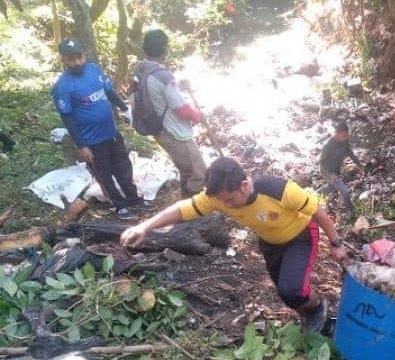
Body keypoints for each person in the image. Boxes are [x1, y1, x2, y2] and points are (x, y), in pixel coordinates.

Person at [120, 157, 347, 333]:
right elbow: (182, 209)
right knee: (285, 292)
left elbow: (317, 211)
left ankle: (319, 307)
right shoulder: (218, 197)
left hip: (300, 237)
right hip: (270, 243)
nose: (227, 206)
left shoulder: (279, 190)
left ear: (245, 186)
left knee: (292, 289)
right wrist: (145, 227)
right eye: (222, 201)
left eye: (230, 200)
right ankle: (309, 313)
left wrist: (336, 243)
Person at [51, 37, 142, 220]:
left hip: (111, 132)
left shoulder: (94, 70)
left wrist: (125, 109)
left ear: (84, 55)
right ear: (64, 60)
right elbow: (67, 118)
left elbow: (109, 92)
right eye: (71, 59)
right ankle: (120, 207)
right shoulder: (63, 86)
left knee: (124, 166)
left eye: (79, 57)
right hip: (91, 140)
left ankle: (133, 199)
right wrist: (82, 146)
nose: (77, 62)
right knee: (104, 174)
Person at [133, 29, 207, 198]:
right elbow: (181, 109)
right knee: (199, 172)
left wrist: (177, 85)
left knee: (185, 169)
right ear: (165, 50)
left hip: (158, 129)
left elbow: (157, 93)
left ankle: (186, 203)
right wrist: (198, 116)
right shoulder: (163, 77)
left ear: (144, 50)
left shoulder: (142, 69)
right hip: (174, 133)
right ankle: (191, 206)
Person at [318, 121, 362, 212]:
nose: (345, 138)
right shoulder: (327, 146)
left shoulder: (344, 142)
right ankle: (351, 211)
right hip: (328, 171)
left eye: (346, 136)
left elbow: (351, 154)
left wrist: (360, 165)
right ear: (337, 133)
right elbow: (321, 164)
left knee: (331, 187)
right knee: (344, 191)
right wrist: (330, 176)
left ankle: (314, 195)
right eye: (344, 135)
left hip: (336, 171)